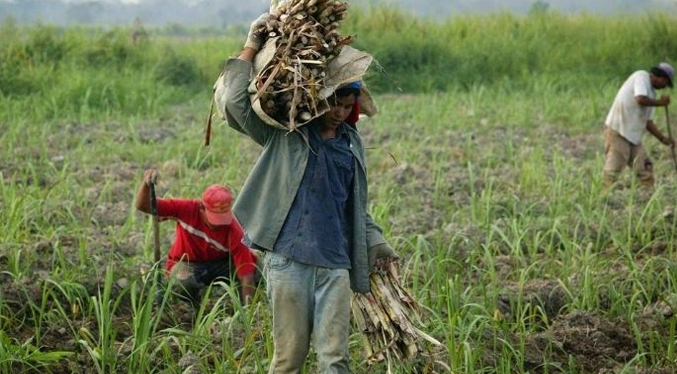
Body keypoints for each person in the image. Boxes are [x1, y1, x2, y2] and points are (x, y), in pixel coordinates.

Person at [222, 14, 399, 374]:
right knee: (289, 359)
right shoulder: (288, 136)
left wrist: (376, 241)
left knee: (335, 359)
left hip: (335, 264)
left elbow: (353, 205)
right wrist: (251, 45)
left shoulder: (350, 146)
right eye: (334, 103)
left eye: (348, 106)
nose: (339, 112)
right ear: (317, 98)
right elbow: (234, 105)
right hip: (290, 261)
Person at [134, 169, 257, 306]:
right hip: (187, 263)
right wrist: (146, 184)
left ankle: (241, 302)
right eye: (214, 219)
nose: (218, 225)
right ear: (202, 208)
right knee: (184, 283)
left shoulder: (234, 230)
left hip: (220, 265)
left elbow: (246, 276)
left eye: (223, 218)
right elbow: (143, 206)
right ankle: (193, 306)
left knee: (257, 270)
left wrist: (248, 313)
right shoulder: (186, 209)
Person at [603, 62, 676, 188]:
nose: (664, 86)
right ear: (661, 77)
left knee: (645, 168)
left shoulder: (652, 95)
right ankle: (604, 196)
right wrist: (661, 103)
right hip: (618, 130)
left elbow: (648, 123)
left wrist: (663, 139)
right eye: (665, 83)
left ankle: (646, 196)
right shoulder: (641, 76)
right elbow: (640, 99)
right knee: (615, 167)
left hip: (633, 136)